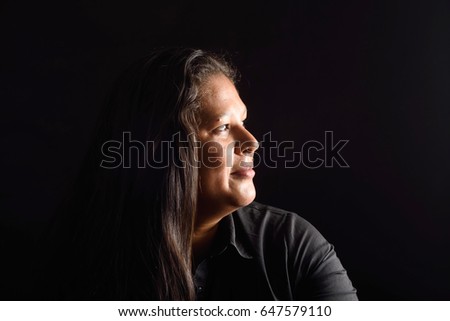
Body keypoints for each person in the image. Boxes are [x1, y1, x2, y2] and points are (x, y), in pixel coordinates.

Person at [45, 47, 357, 300]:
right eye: (222, 127)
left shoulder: (292, 246)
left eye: (244, 122)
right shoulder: (80, 258)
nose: (251, 142)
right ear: (161, 151)